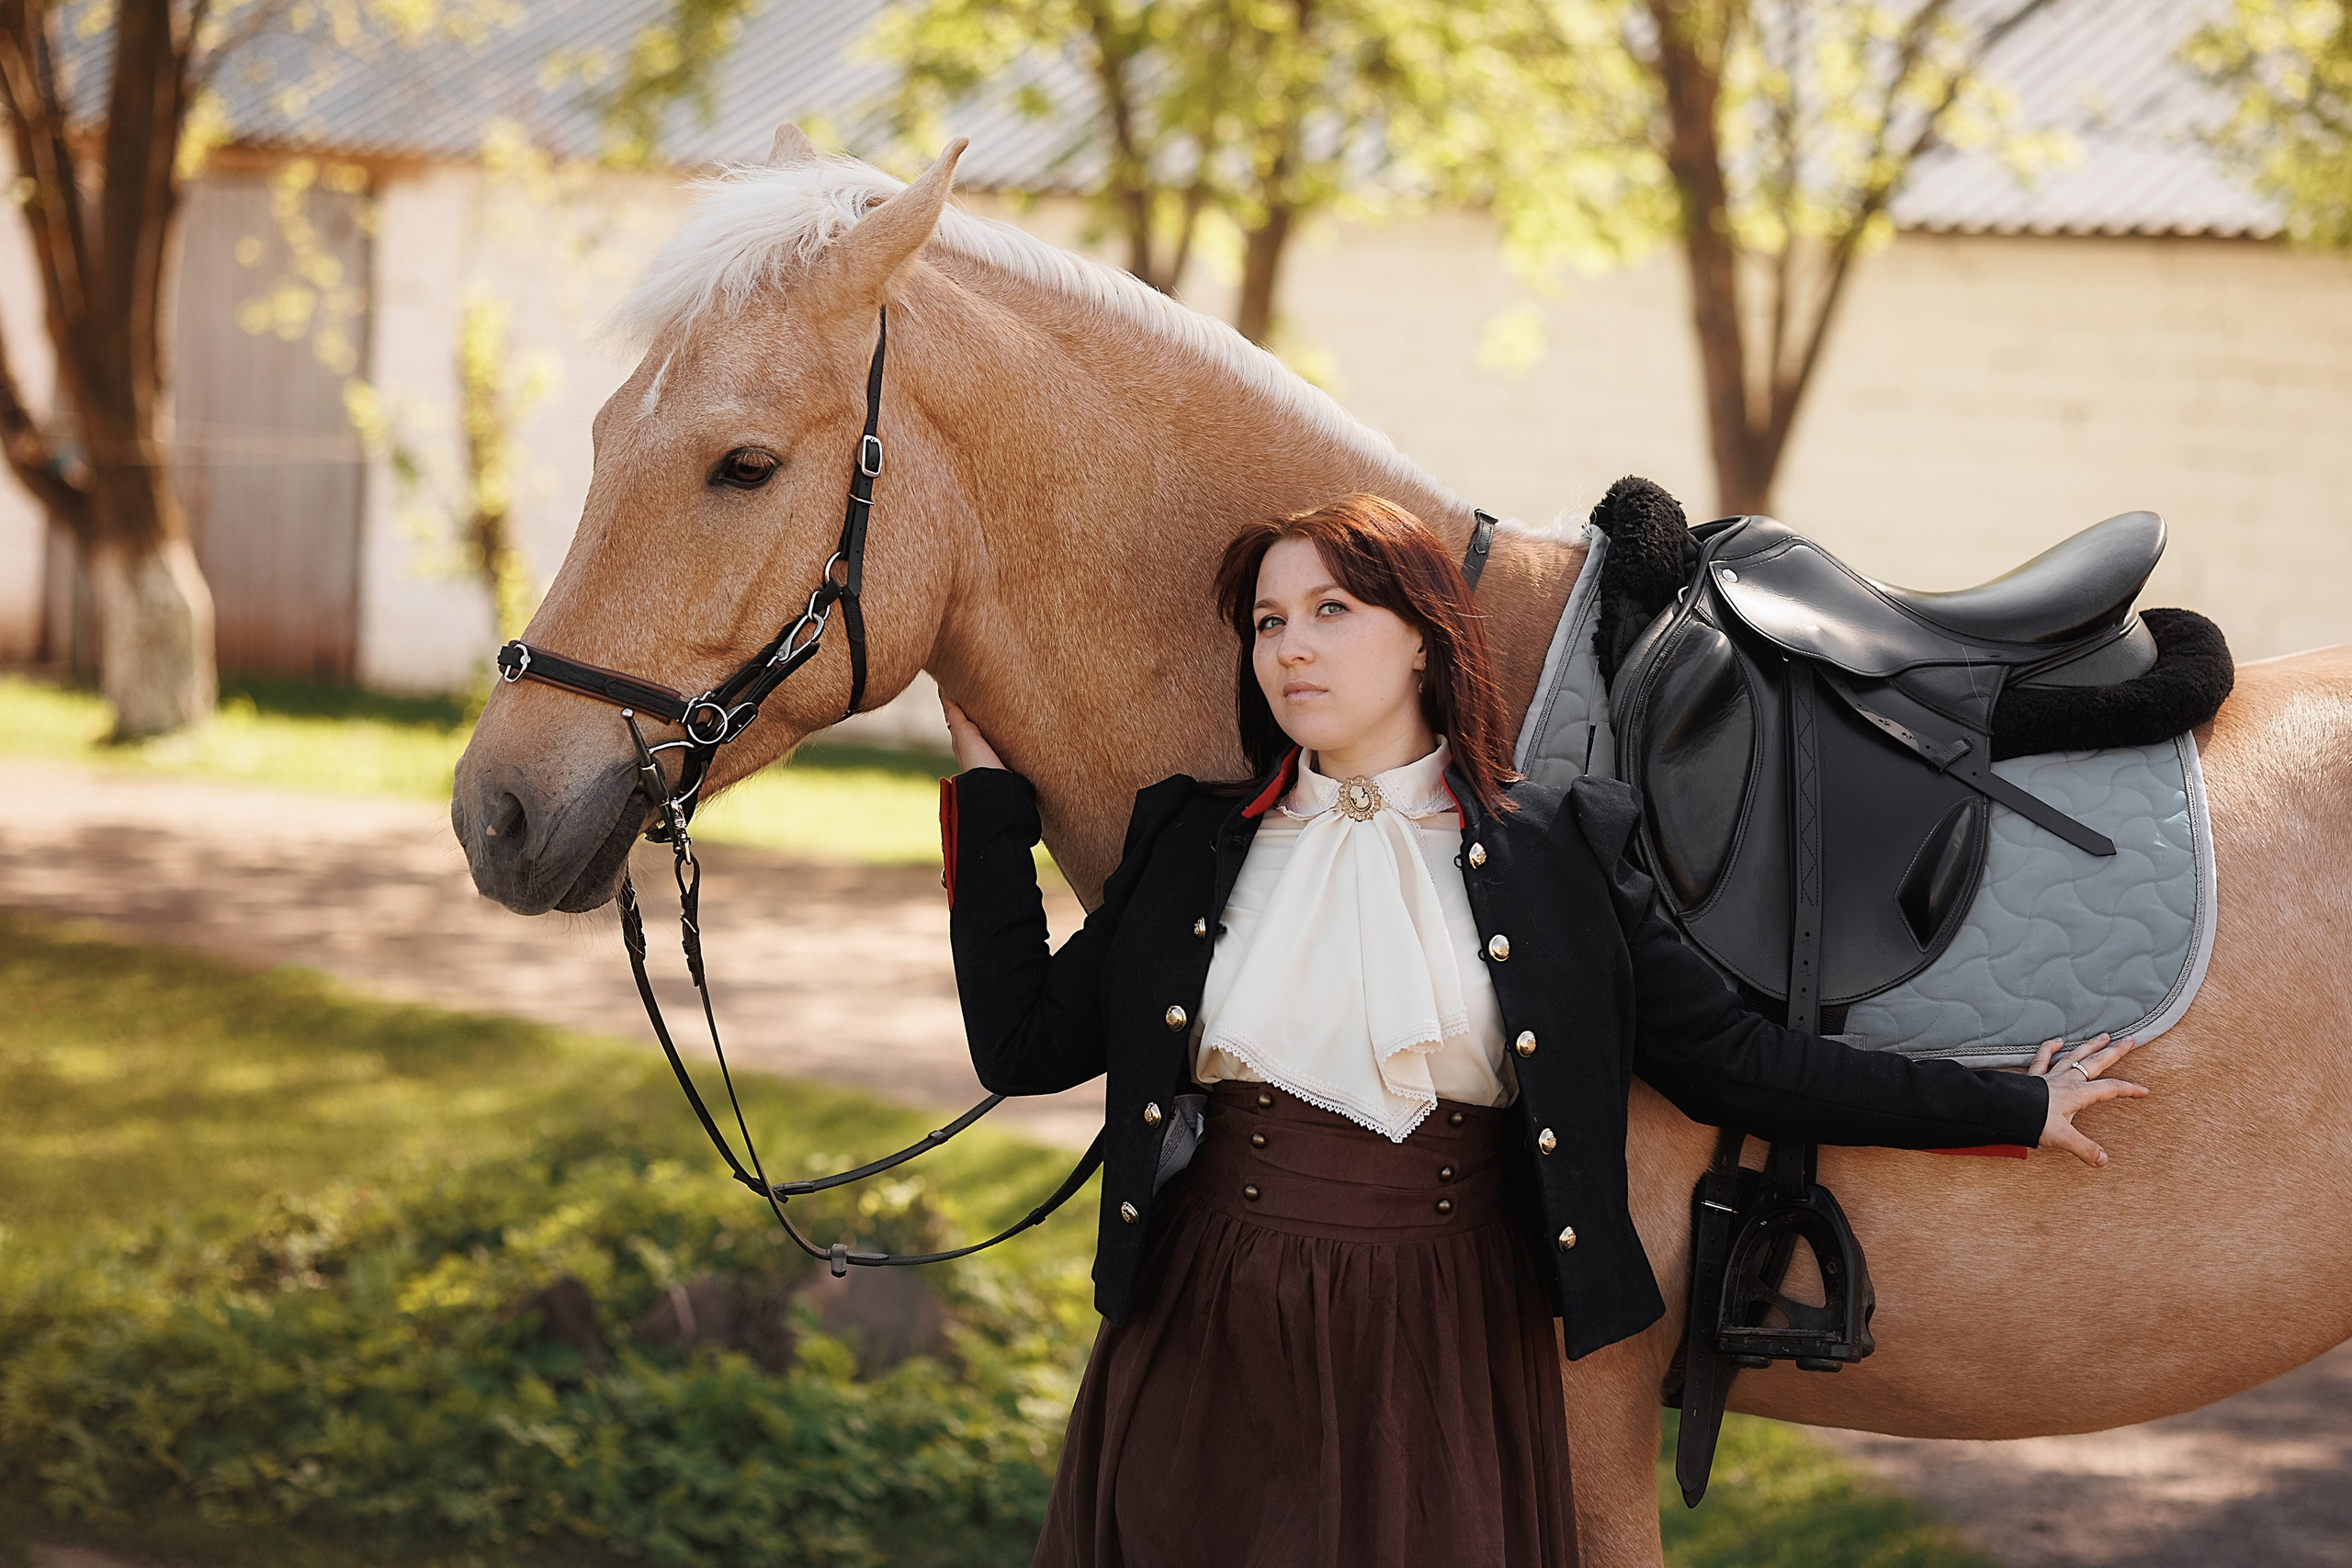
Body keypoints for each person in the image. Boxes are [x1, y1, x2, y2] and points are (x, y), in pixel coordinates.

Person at [936, 492, 2146, 1568]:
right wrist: (987, 809)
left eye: (1331, 610)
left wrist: (2014, 1106)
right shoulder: (1190, 843)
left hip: (1443, 1334)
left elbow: (1734, 1063)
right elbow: (1026, 1043)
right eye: (1266, 622)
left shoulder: (1555, 855)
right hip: (1206, 1321)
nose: (1291, 647)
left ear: (1420, 634)